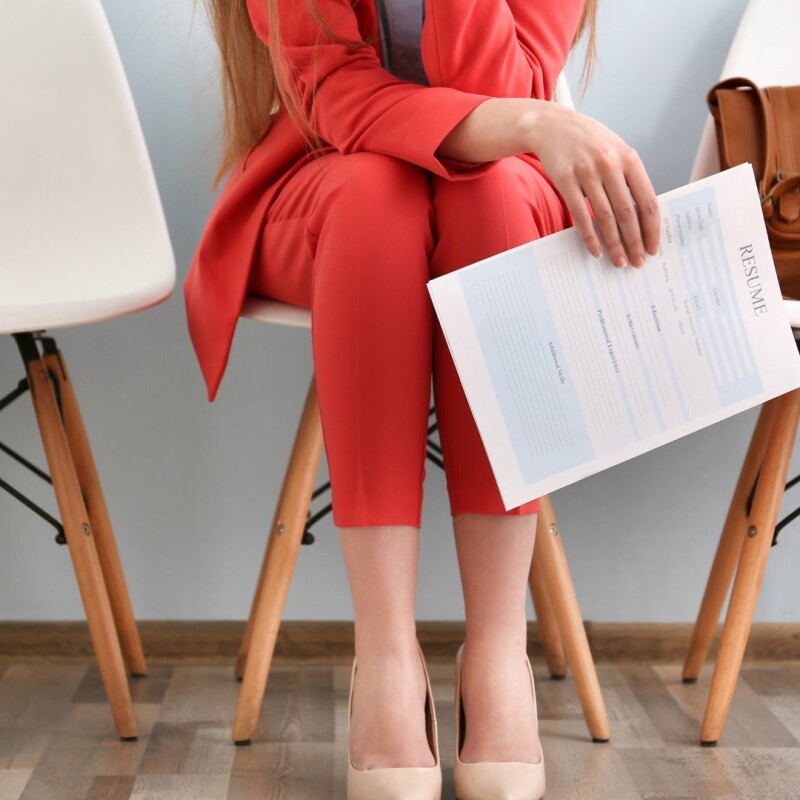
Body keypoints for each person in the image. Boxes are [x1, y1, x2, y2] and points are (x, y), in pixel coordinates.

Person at [184, 0, 660, 797]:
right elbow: (343, 101)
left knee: (493, 199)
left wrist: (526, 119)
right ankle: (386, 655)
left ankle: (498, 649)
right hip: (327, 181)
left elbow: (504, 86)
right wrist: (533, 124)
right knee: (378, 195)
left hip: (502, 197)